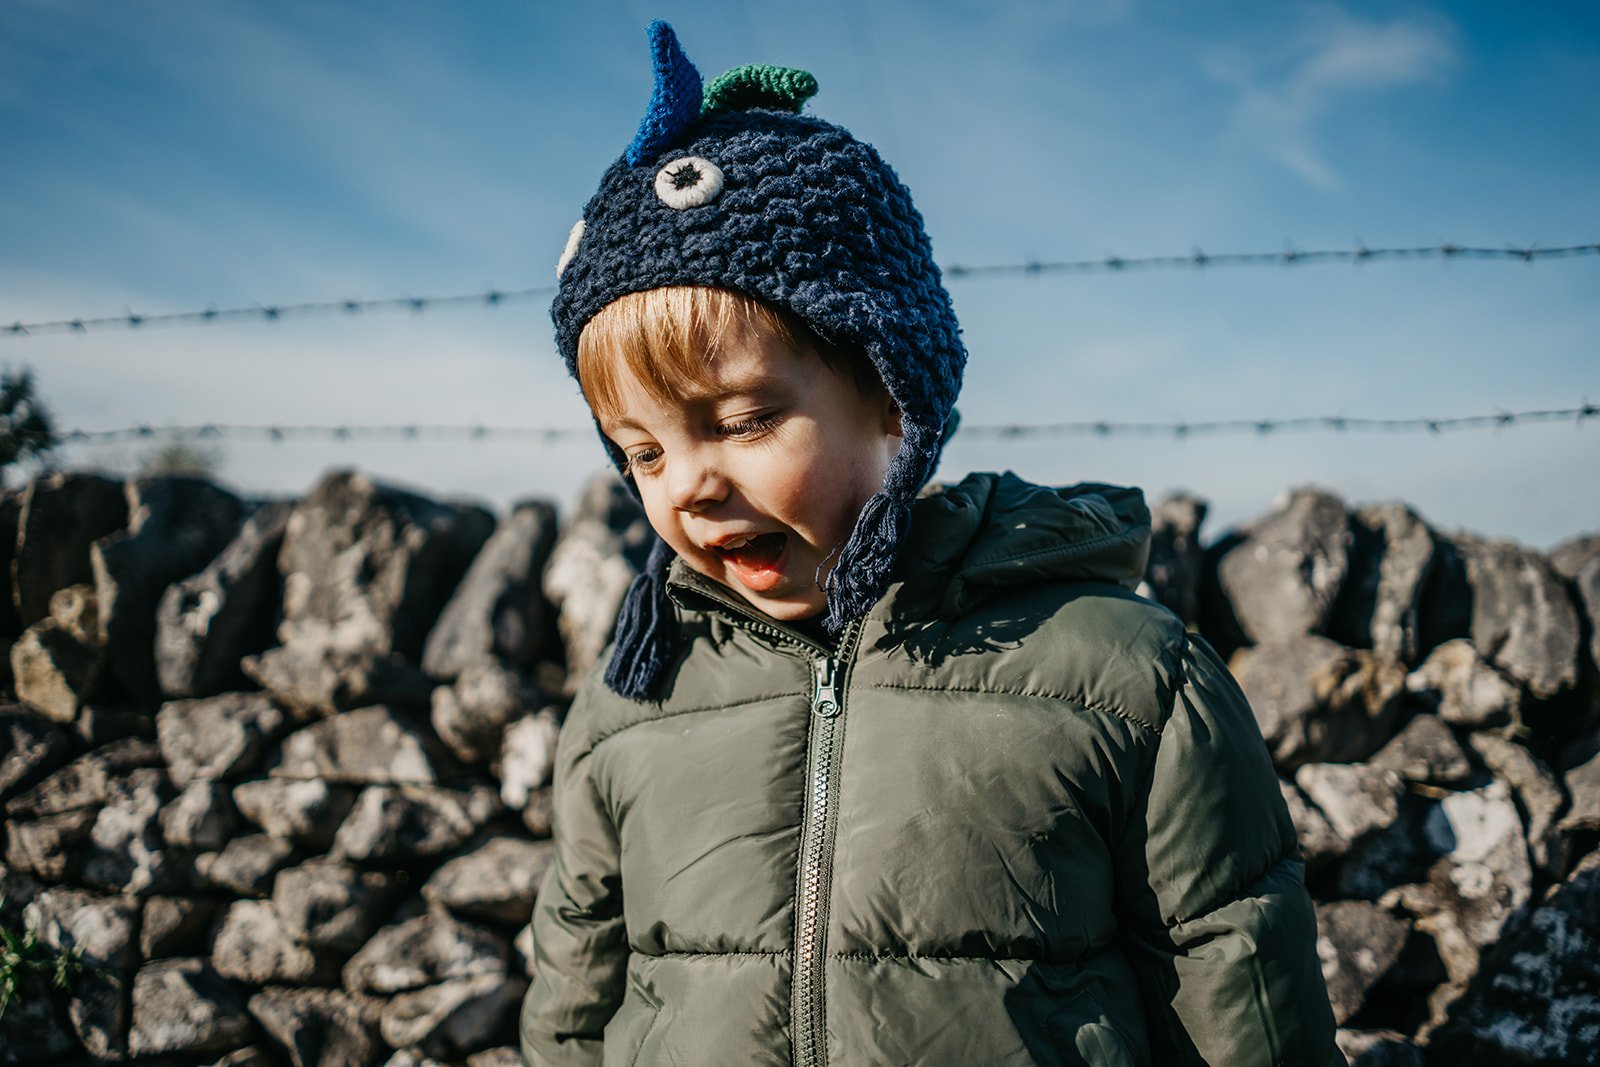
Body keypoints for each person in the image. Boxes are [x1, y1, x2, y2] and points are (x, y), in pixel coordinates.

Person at [520, 20, 1343, 1067]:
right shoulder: (631, 702)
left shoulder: (1127, 681)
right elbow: (576, 1009)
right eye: (640, 449)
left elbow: (1242, 1000)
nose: (689, 483)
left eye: (740, 419)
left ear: (893, 393)